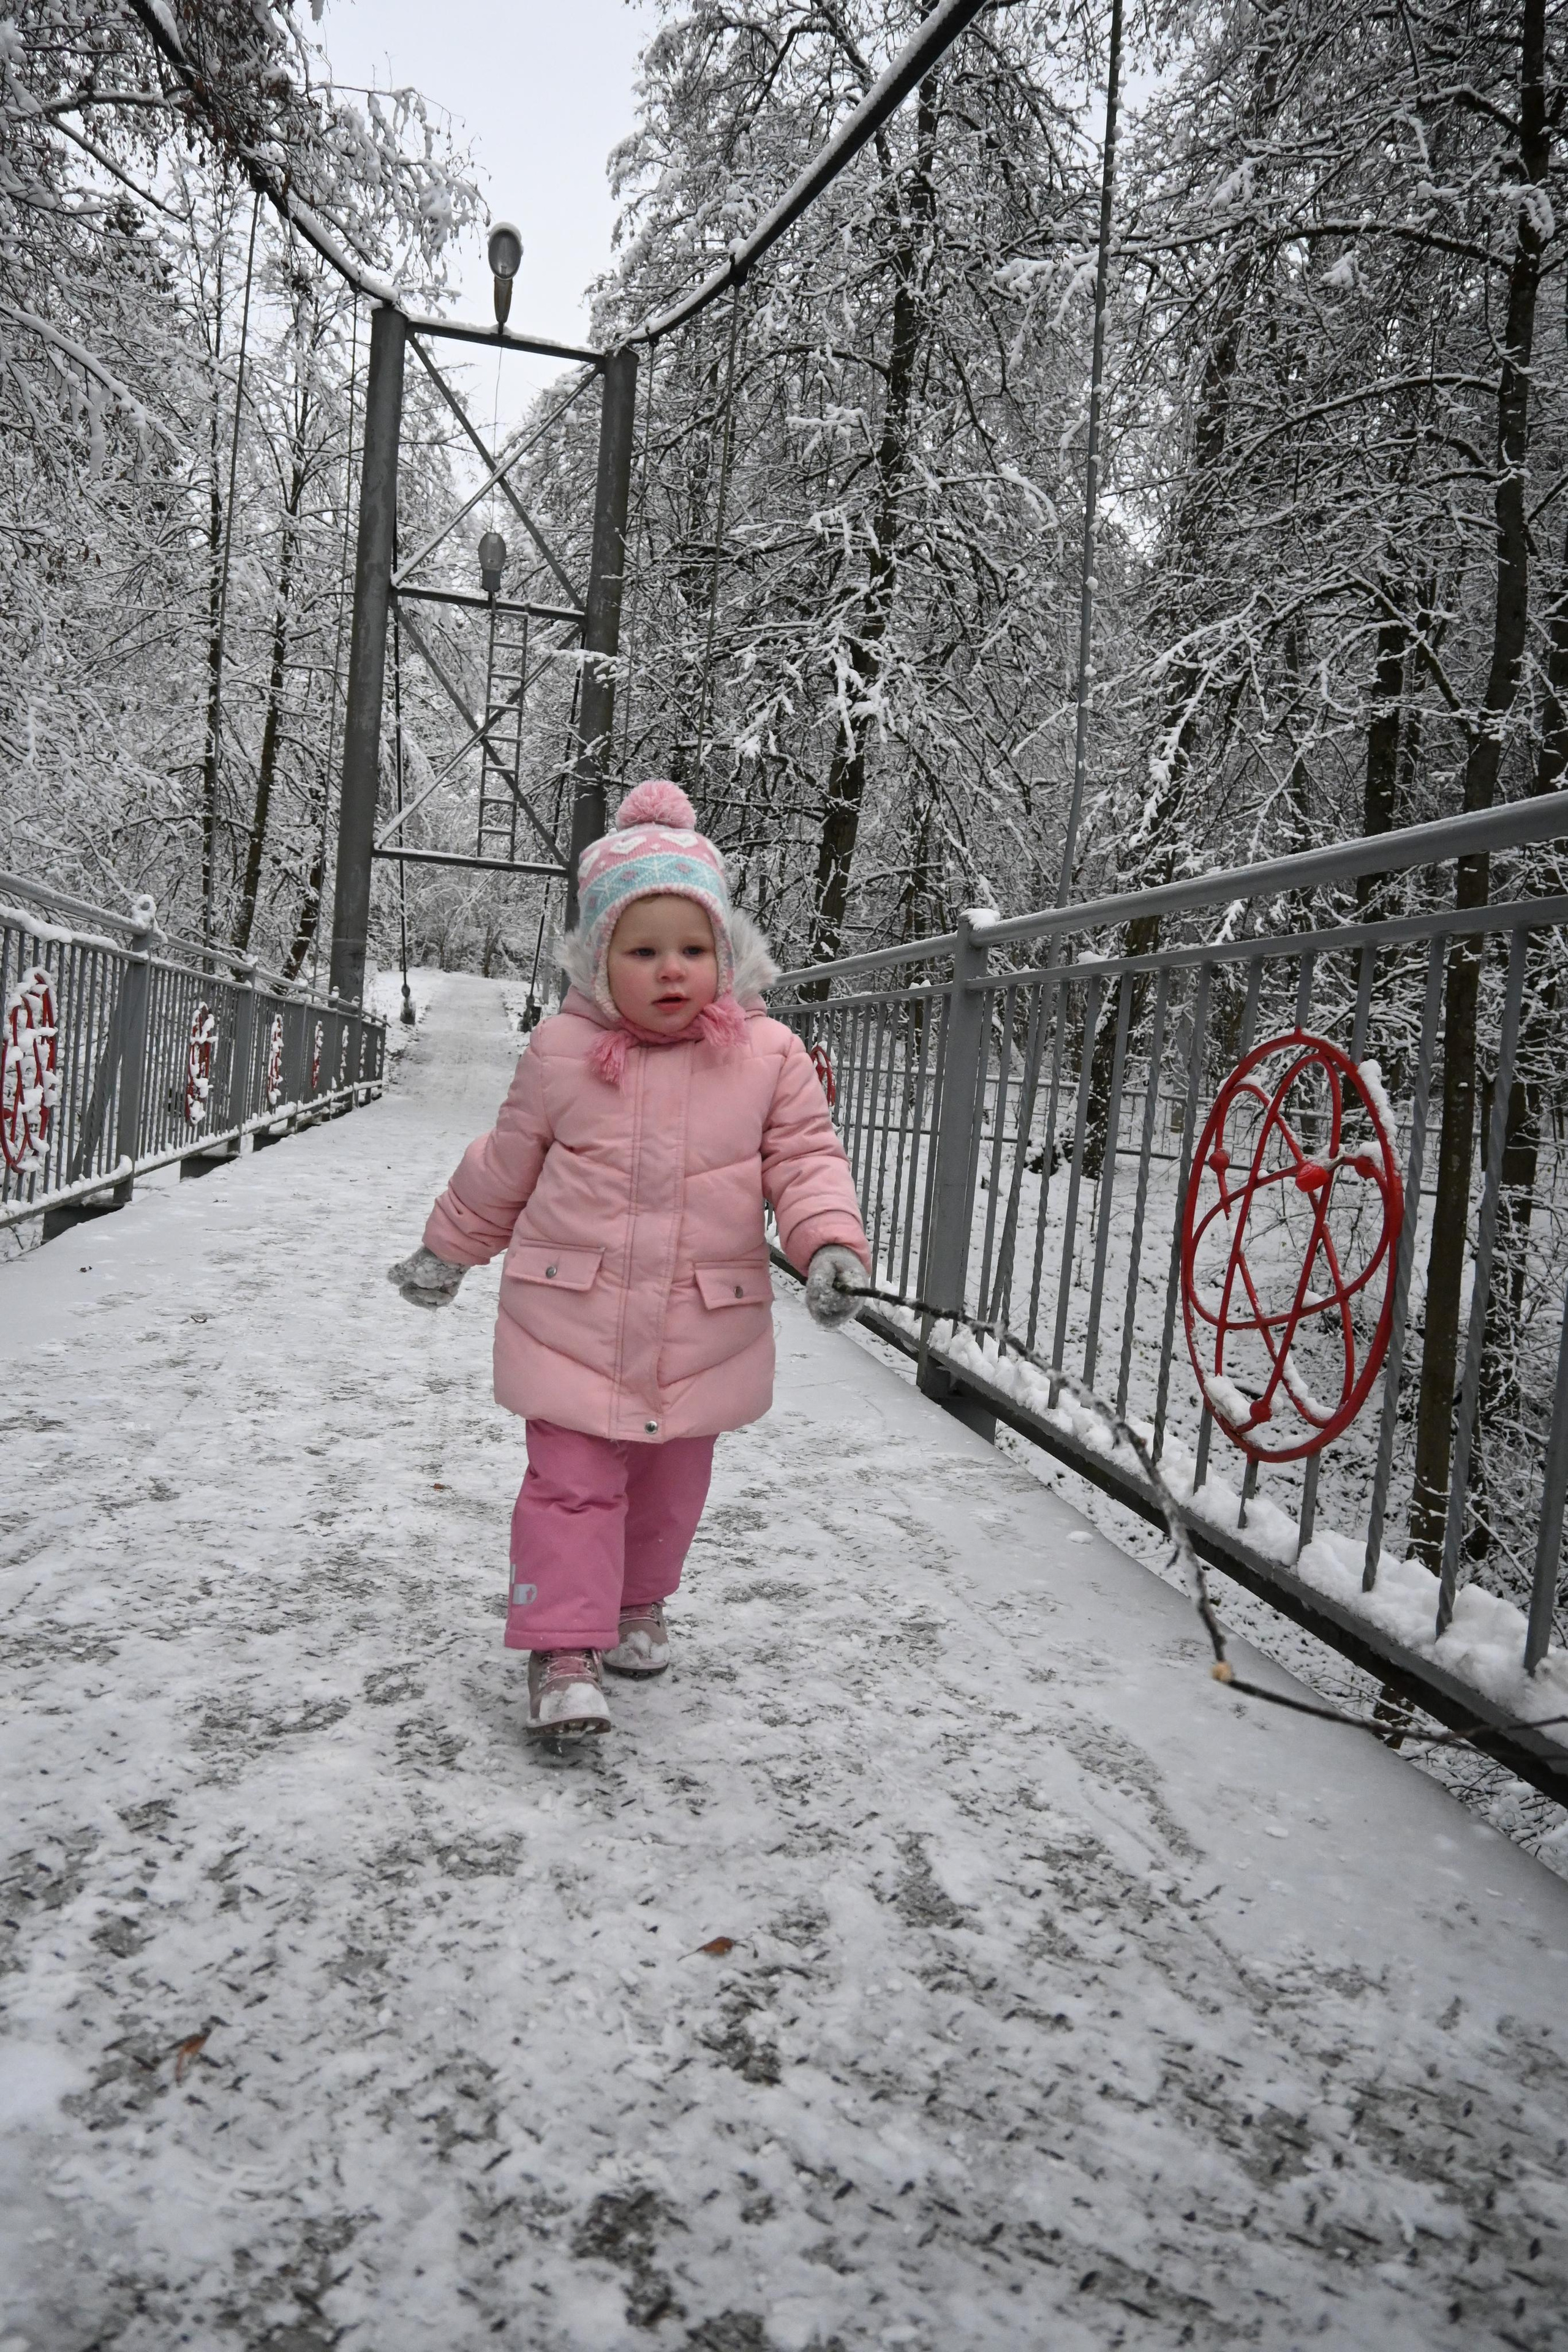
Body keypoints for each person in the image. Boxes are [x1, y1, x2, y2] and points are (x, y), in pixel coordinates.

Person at [388, 779, 870, 1740]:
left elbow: (807, 1164)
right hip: (569, 1314)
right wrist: (448, 1249)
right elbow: (503, 1166)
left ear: (725, 957)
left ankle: (638, 1602)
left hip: (704, 1320)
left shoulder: (770, 1057)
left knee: (670, 1483)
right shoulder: (562, 1051)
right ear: (600, 961)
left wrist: (828, 1246)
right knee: (571, 1481)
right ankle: (562, 1648)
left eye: (693, 949)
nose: (670, 971)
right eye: (642, 950)